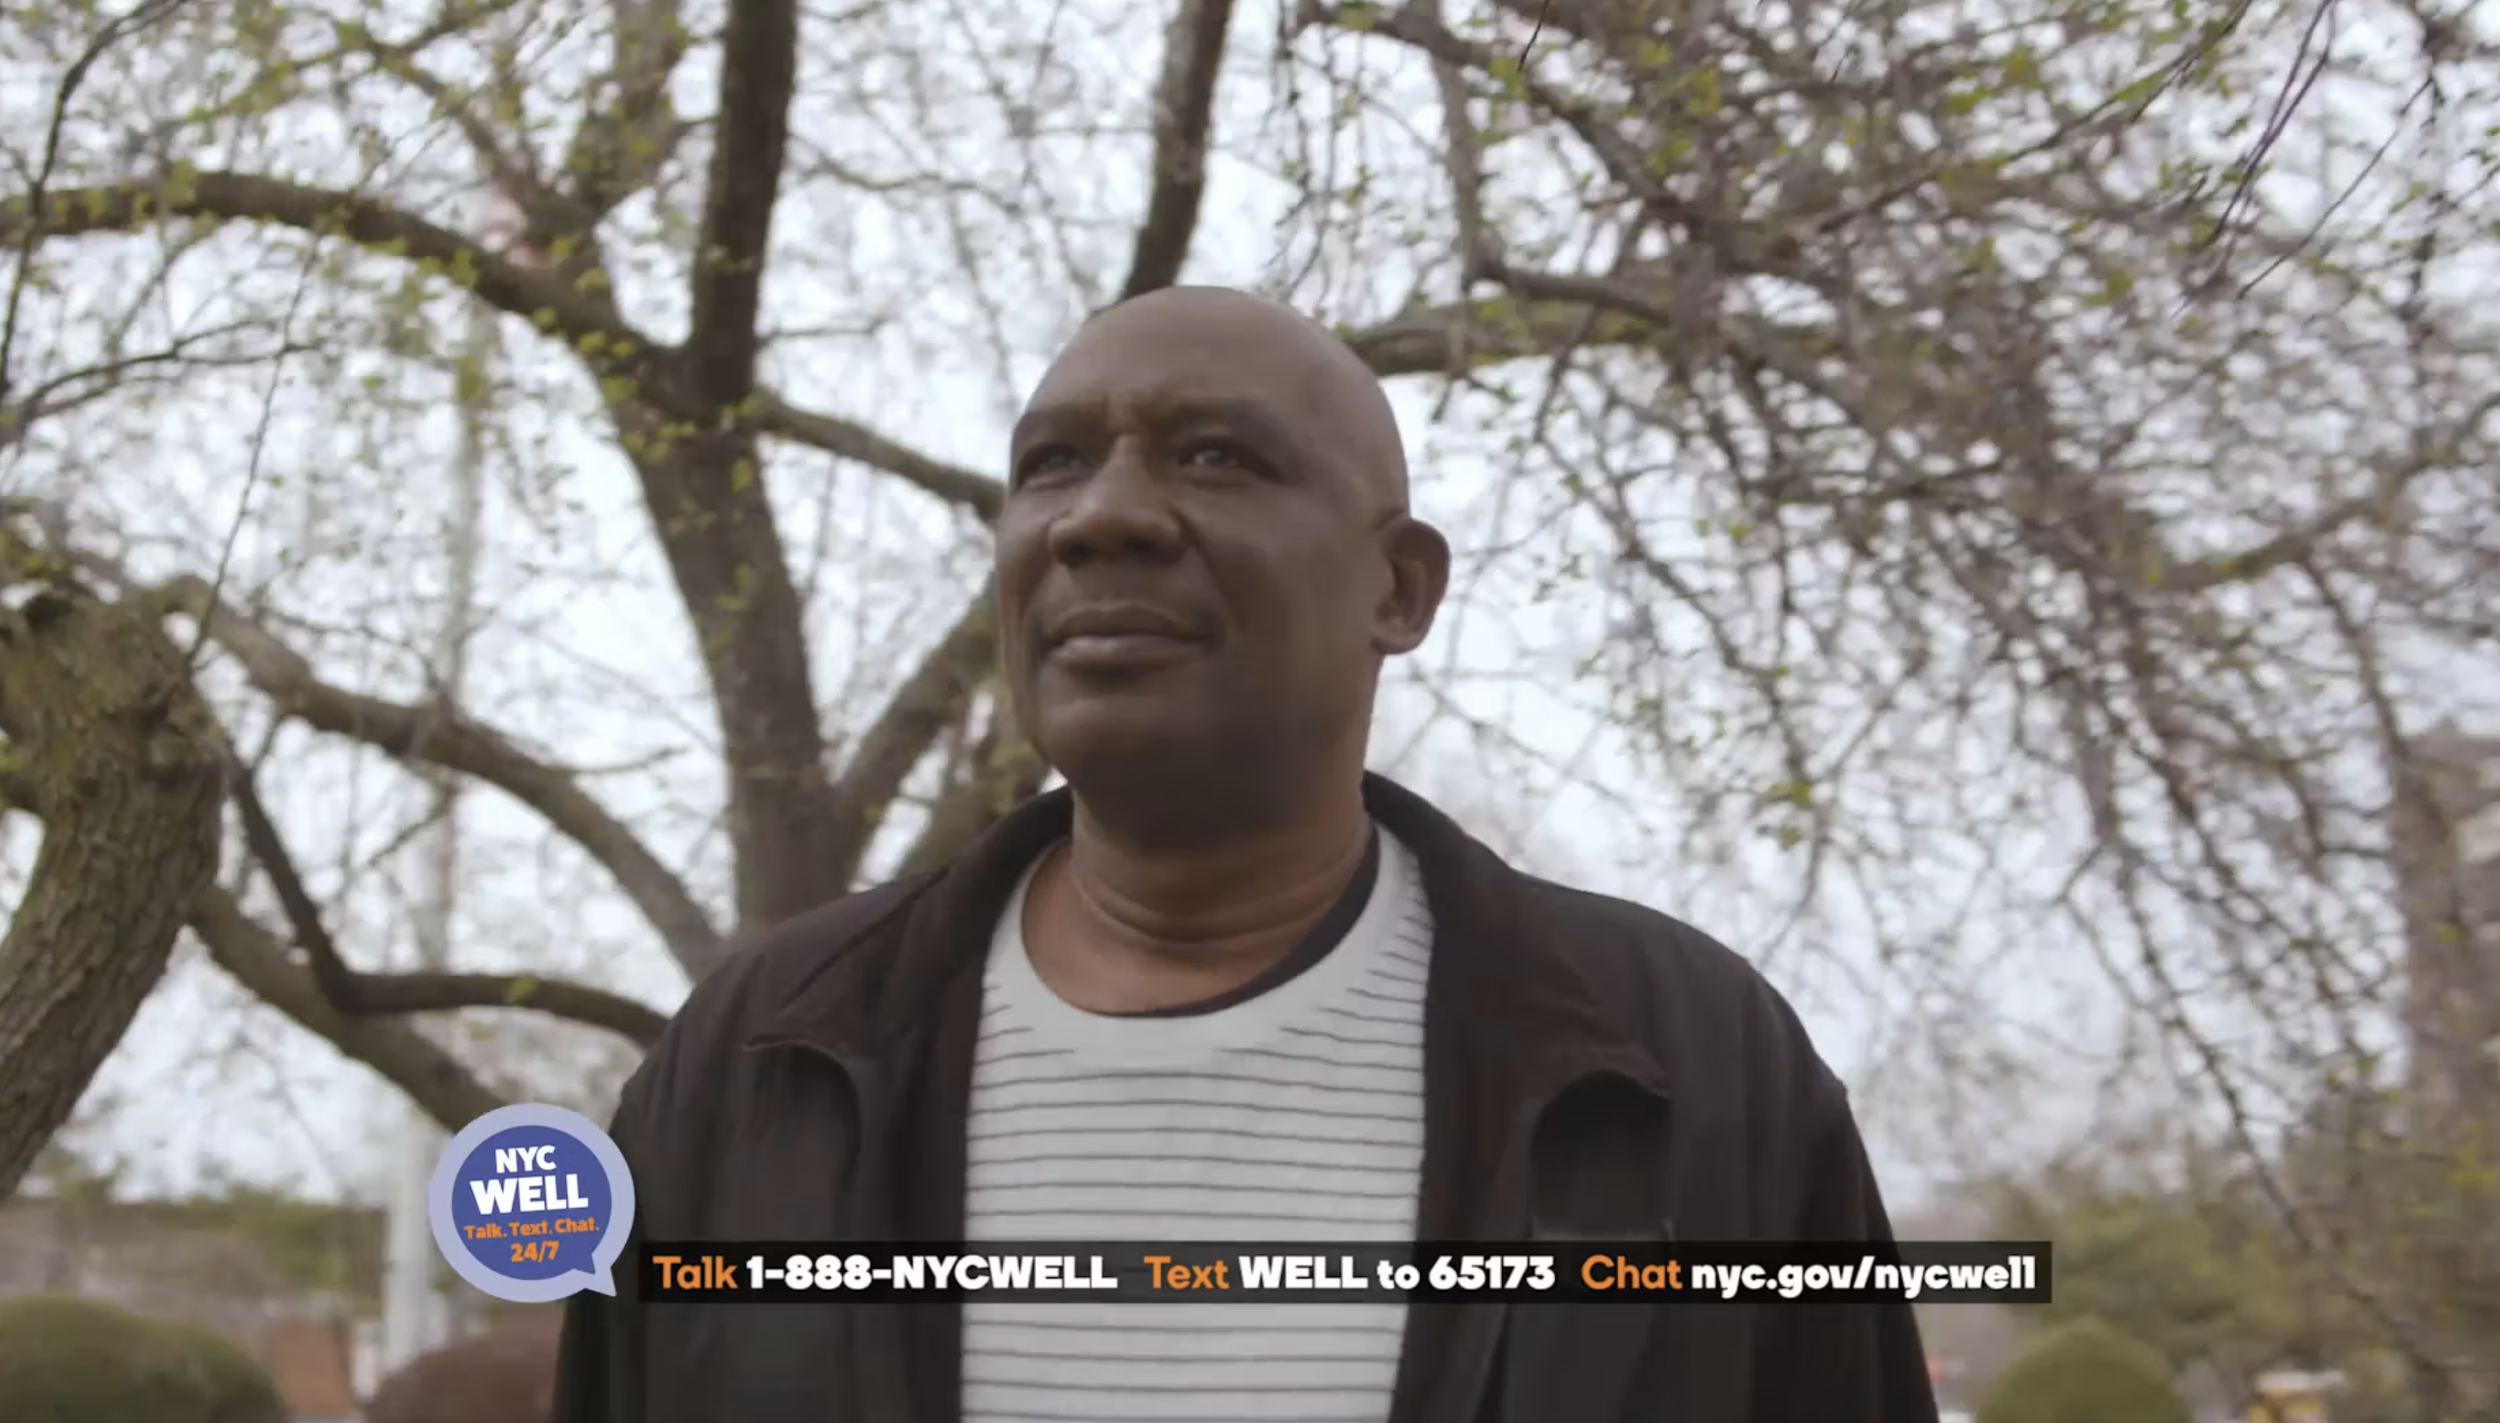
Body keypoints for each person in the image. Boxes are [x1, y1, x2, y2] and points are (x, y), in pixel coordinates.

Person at [553, 286, 1940, 1423]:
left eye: (1216, 455)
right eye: (1052, 464)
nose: (1100, 516)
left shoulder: (1695, 1069)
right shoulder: (754, 1066)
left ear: (1399, 587)